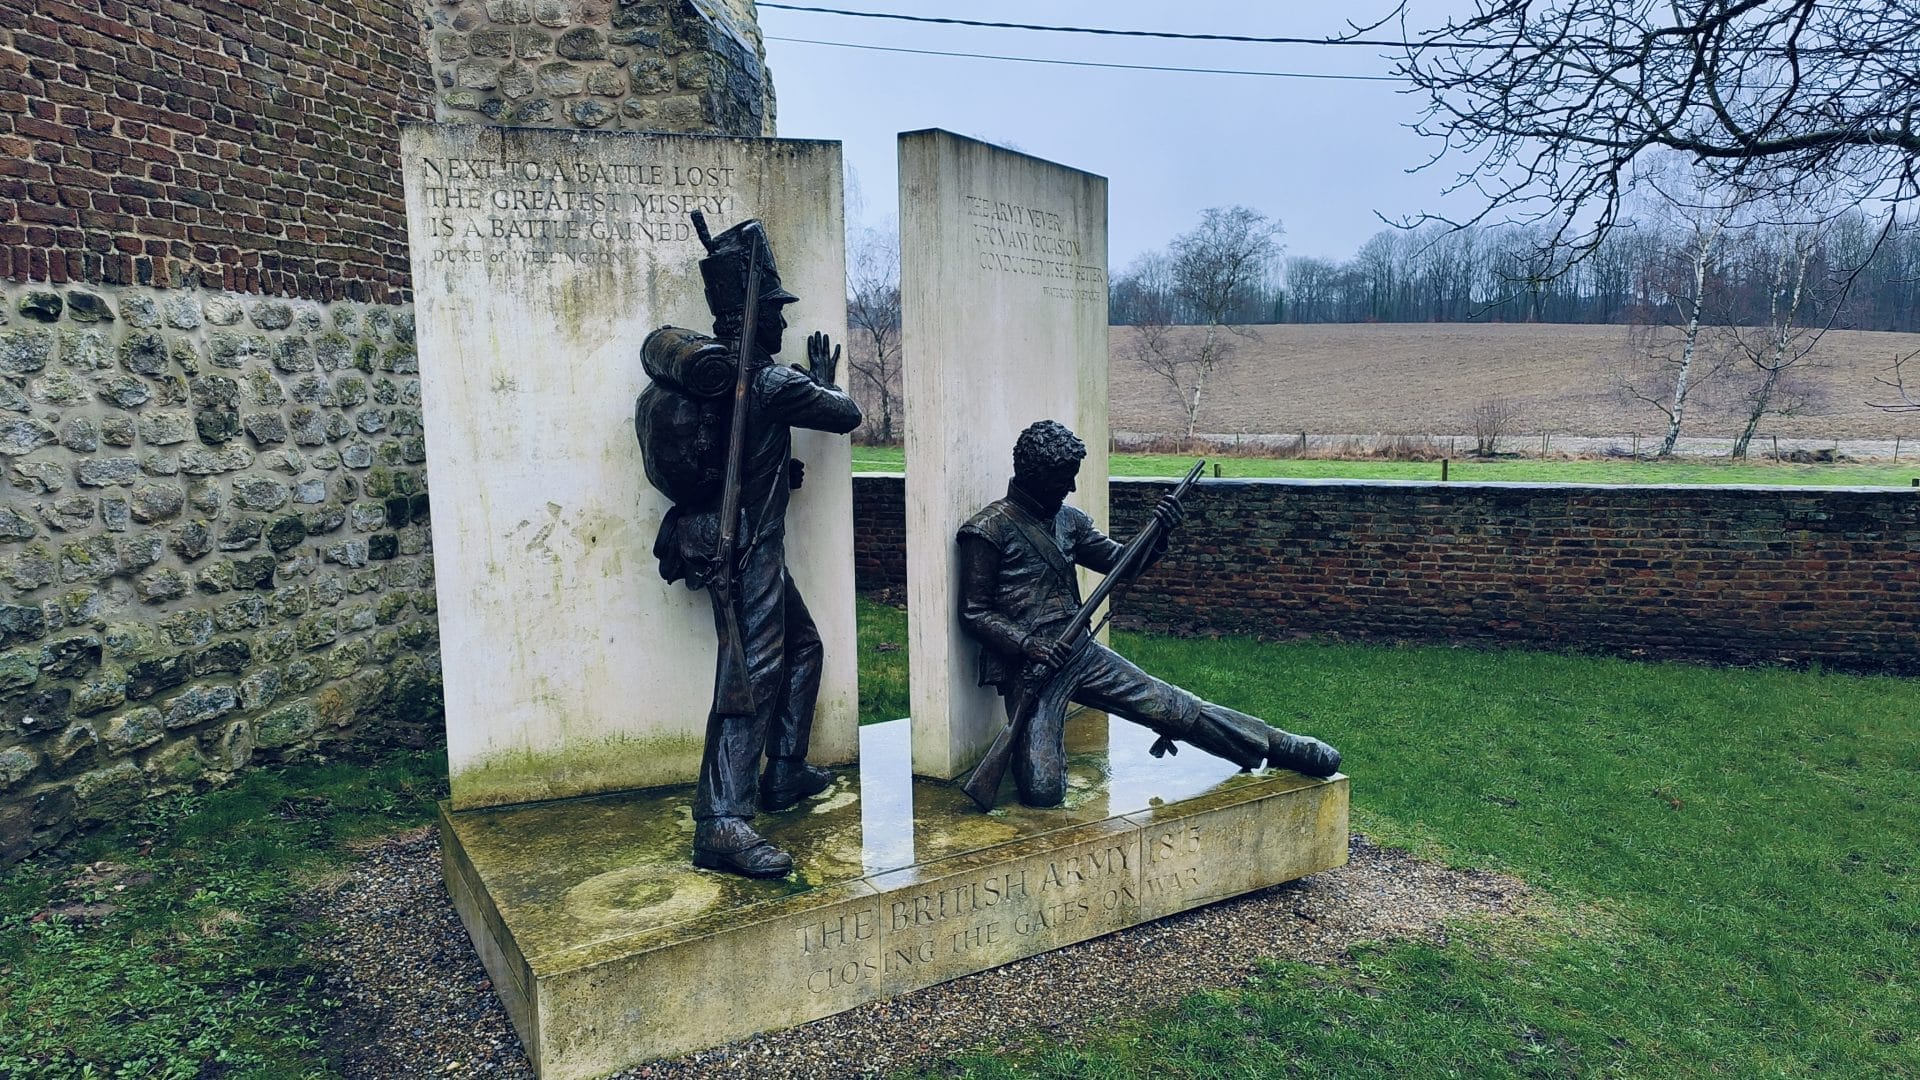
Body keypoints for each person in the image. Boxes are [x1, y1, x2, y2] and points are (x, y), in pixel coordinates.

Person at [956, 420, 1341, 807]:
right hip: (1031, 669)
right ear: (1036, 475)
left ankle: (1277, 743)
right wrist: (1028, 645)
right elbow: (974, 613)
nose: (1071, 488)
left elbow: (1121, 562)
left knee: (1173, 706)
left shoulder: (1069, 521)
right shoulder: (989, 530)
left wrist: (1158, 534)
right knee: (1043, 793)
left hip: (1078, 651)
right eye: (1063, 479)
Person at [637, 216, 862, 877]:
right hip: (748, 547)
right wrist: (820, 377)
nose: (783, 325)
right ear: (755, 317)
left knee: (803, 648)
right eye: (776, 312)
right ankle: (723, 823)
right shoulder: (767, 380)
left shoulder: (728, 377)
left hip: (717, 539)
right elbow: (845, 415)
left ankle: (784, 771)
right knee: (750, 677)